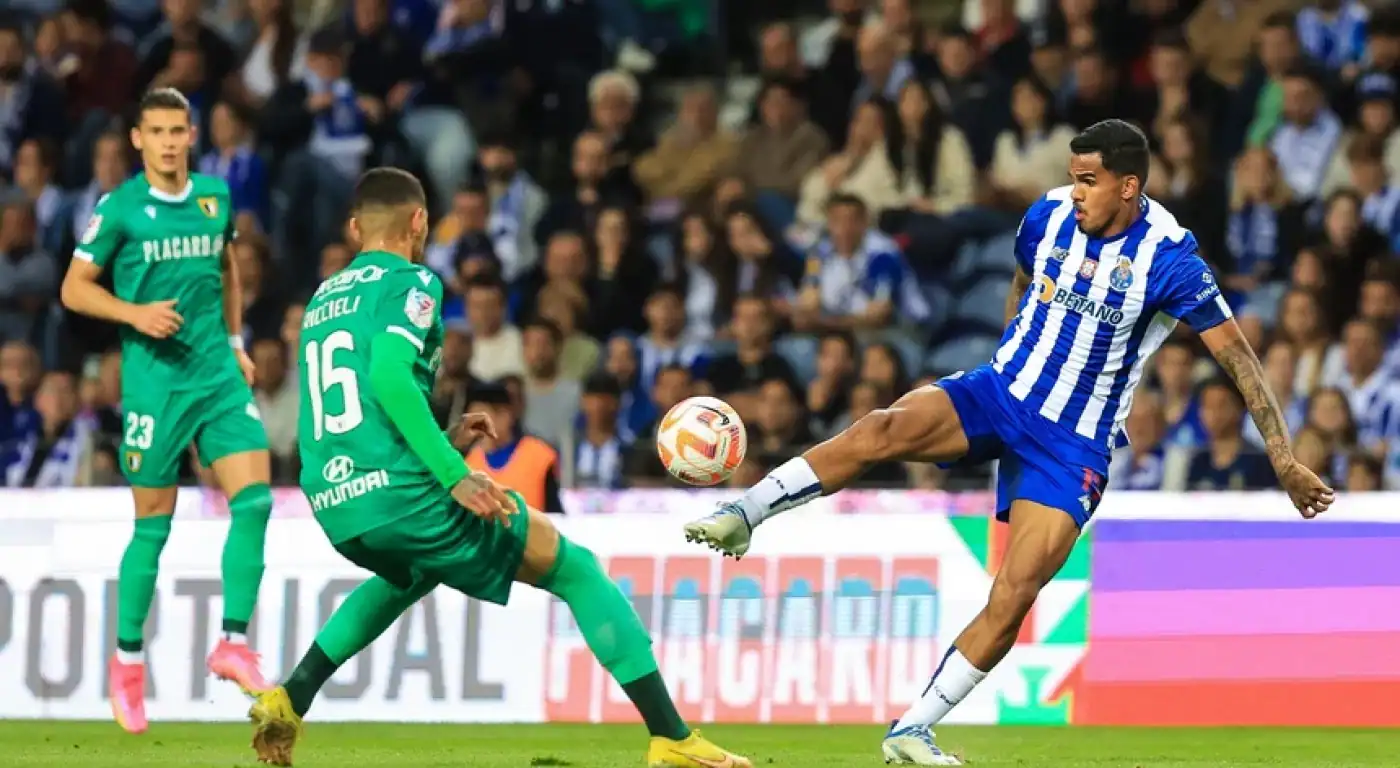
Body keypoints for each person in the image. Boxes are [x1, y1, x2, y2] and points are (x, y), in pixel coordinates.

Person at [683, 119, 1333, 765]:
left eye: (1089, 180)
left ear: (1129, 187)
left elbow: (1241, 360)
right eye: (1071, 177)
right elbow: (1023, 281)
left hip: (1073, 447)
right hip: (1001, 393)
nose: (1073, 191)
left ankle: (911, 730)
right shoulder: (1046, 216)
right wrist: (1008, 351)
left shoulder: (1170, 259)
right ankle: (745, 512)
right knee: (881, 427)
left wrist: (1284, 459)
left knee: (1016, 591)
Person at [251, 167, 750, 768]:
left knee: (407, 574)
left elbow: (353, 412)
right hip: (402, 494)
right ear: (419, 222)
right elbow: (385, 377)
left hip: (335, 500)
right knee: (577, 570)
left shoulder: (321, 302)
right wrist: (453, 471)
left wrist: (447, 438)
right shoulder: (412, 282)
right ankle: (672, 739)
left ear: (355, 228)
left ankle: (290, 697)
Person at [59, 87, 274, 735]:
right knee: (154, 525)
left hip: (215, 376)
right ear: (138, 139)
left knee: (256, 501)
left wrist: (236, 341)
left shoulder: (214, 197)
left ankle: (233, 642)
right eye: (157, 132)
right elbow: (74, 288)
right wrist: (134, 315)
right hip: (155, 388)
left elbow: (229, 267)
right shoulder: (121, 208)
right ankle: (127, 662)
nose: (170, 142)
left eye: (179, 130)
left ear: (192, 133)